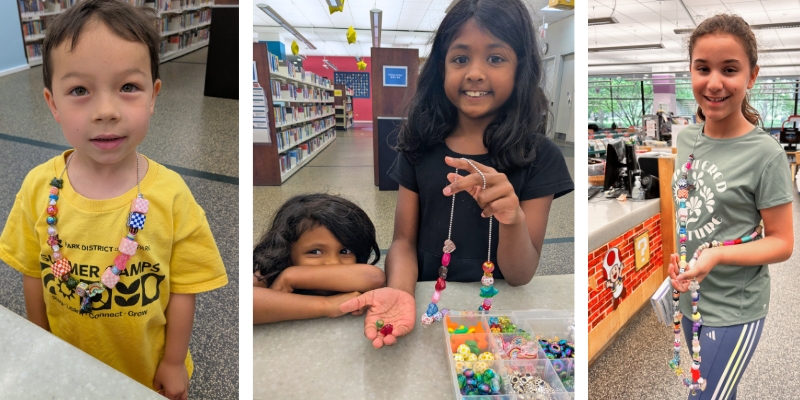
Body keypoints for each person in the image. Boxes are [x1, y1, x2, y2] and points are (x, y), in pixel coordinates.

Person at [0, 1, 227, 399]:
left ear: (153, 96)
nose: (106, 111)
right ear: (53, 103)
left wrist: (174, 361)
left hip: (144, 368)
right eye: (79, 91)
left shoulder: (172, 195)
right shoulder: (38, 187)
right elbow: (33, 273)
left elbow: (185, 288)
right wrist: (40, 342)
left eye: (128, 87)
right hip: (65, 364)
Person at [339, 0, 573, 348]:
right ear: (441, 68)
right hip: (425, 307)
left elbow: (521, 274)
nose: (475, 72)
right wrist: (400, 292)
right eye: (460, 58)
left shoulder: (540, 157)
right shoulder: (419, 145)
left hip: (498, 319)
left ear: (521, 68)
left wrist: (512, 219)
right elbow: (403, 241)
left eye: (496, 58)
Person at [668, 14, 793, 400]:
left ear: (751, 76)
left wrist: (717, 256)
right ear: (690, 71)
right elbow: (689, 211)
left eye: (729, 69)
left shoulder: (766, 154)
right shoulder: (687, 138)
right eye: (703, 68)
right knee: (722, 392)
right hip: (690, 300)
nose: (714, 82)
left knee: (705, 395)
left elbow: (782, 243)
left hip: (734, 309)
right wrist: (682, 260)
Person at [253, 194, 385, 324]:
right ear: (285, 252)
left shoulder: (289, 276)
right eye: (315, 252)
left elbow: (374, 277)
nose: (333, 263)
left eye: (345, 251)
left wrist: (292, 276)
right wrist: (327, 305)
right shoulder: (269, 273)